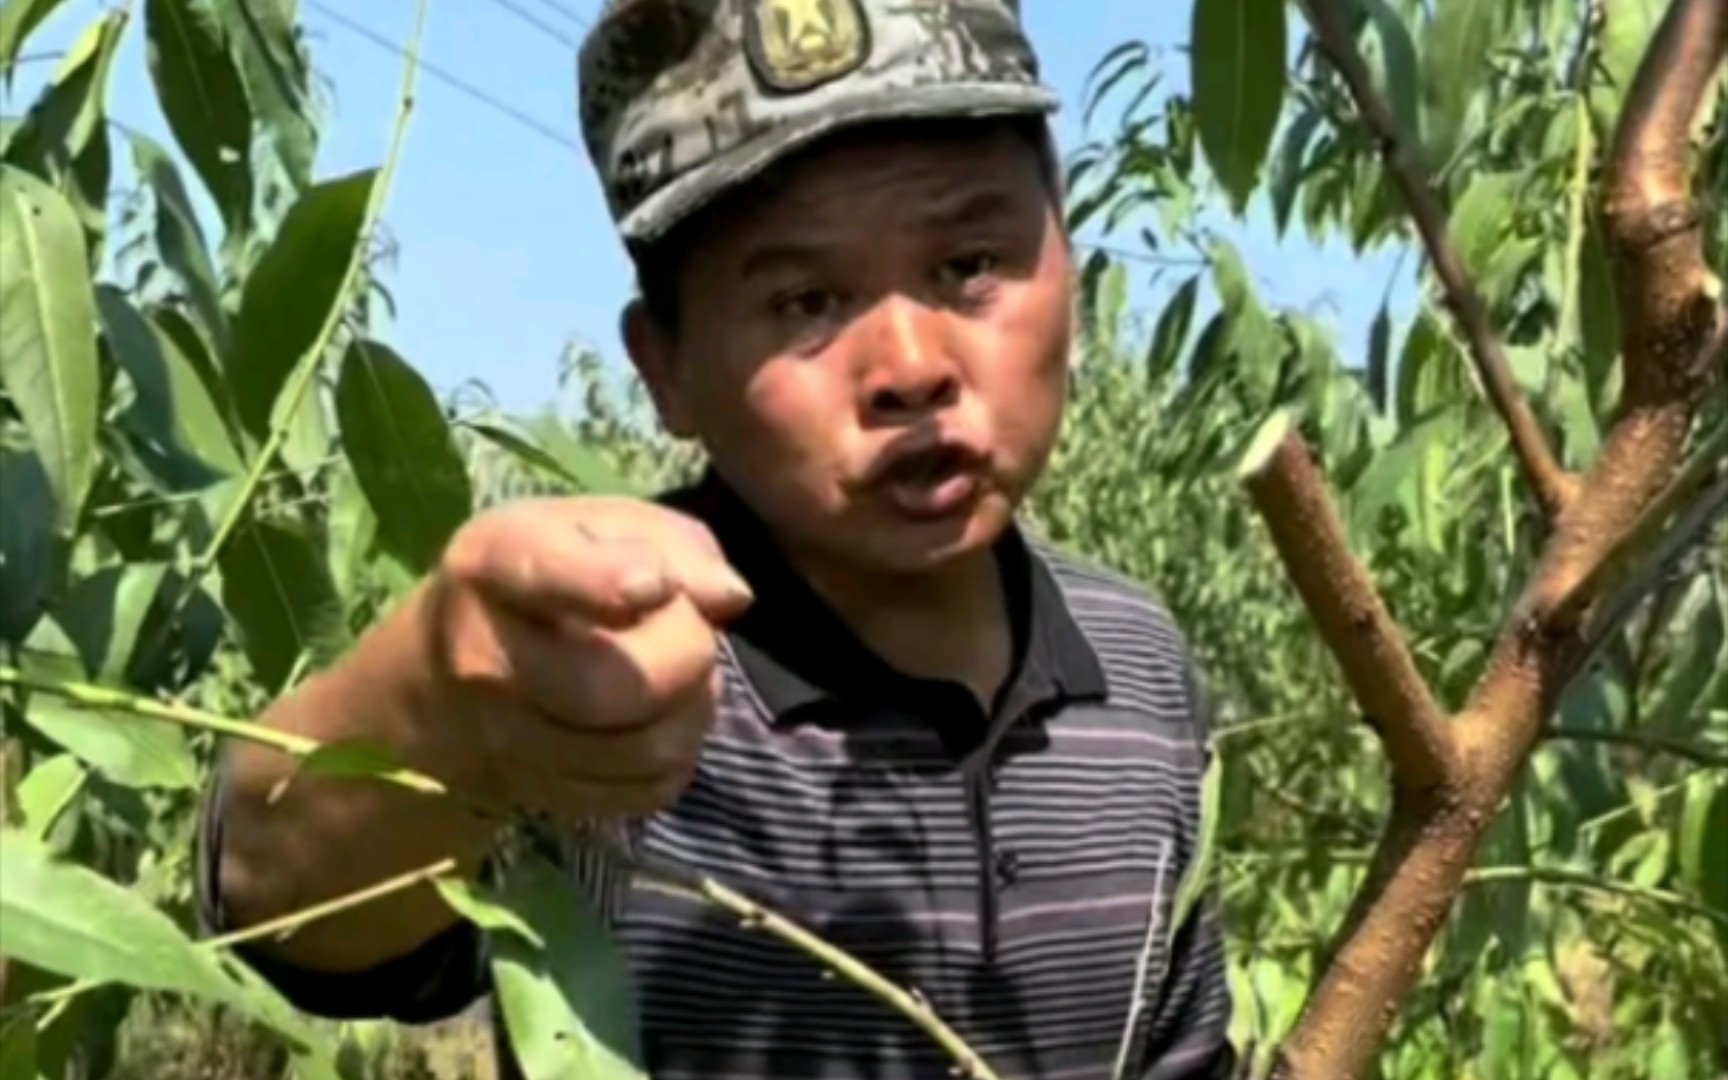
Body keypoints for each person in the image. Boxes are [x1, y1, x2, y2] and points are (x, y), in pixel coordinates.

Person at [197, 0, 1239, 1077]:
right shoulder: (603, 669)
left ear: (1067, 260)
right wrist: (441, 706)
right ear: (665, 372)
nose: (911, 363)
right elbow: (272, 905)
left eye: (970, 265)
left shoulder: (1139, 666)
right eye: (805, 301)